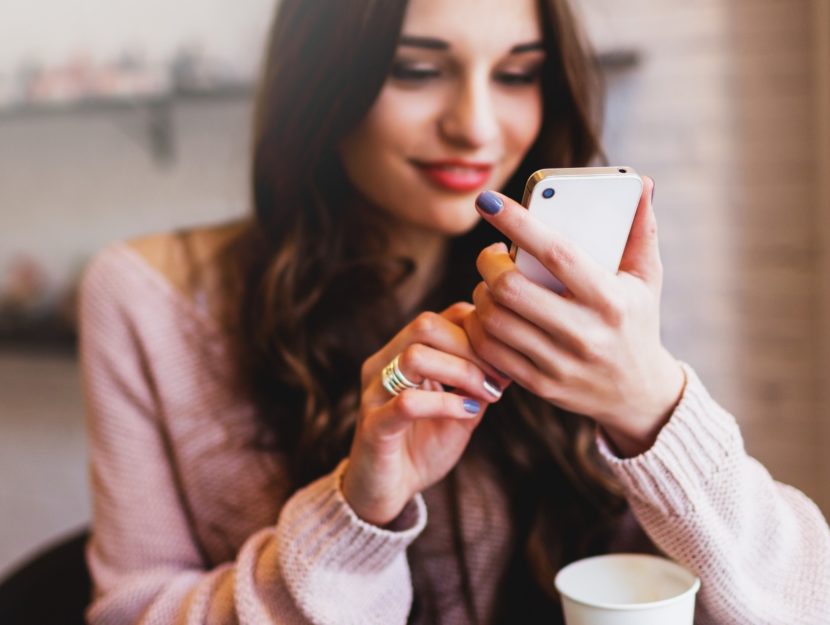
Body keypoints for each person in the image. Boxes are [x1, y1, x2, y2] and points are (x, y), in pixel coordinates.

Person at [78, 0, 830, 623]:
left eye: (518, 73)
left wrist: (653, 408)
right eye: (417, 69)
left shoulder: (559, 292)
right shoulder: (150, 298)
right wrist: (355, 515)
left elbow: (802, 603)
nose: (475, 125)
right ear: (321, 77)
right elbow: (129, 611)